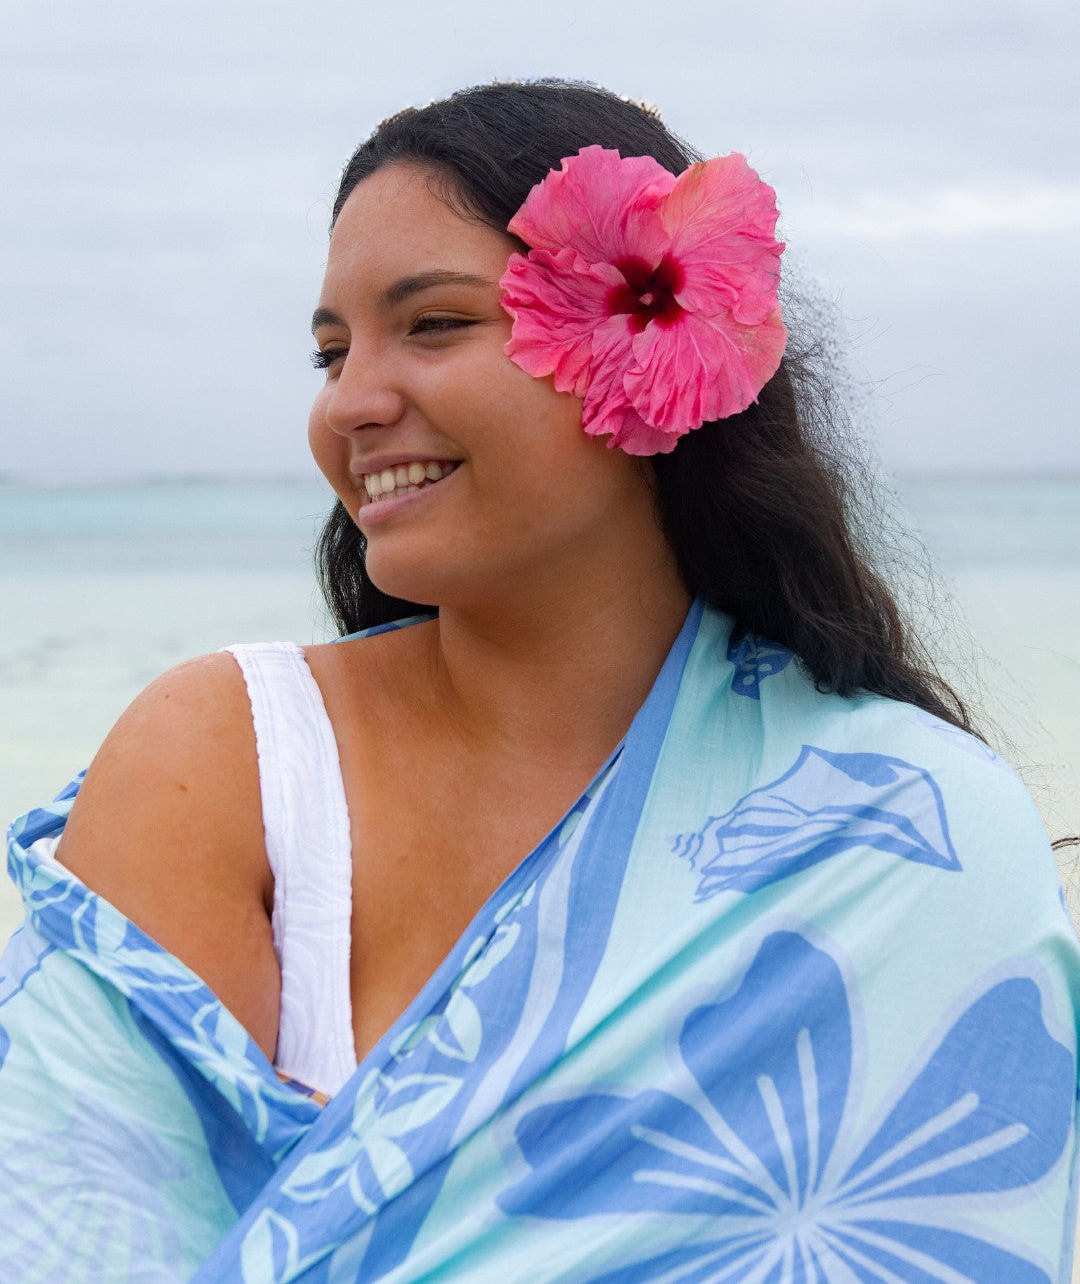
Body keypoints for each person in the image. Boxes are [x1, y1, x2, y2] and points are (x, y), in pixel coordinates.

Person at [1, 79, 1077, 1281]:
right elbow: (69, 1240)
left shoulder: (906, 828)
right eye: (329, 351)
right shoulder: (234, 761)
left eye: (435, 324)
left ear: (651, 342)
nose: (350, 402)